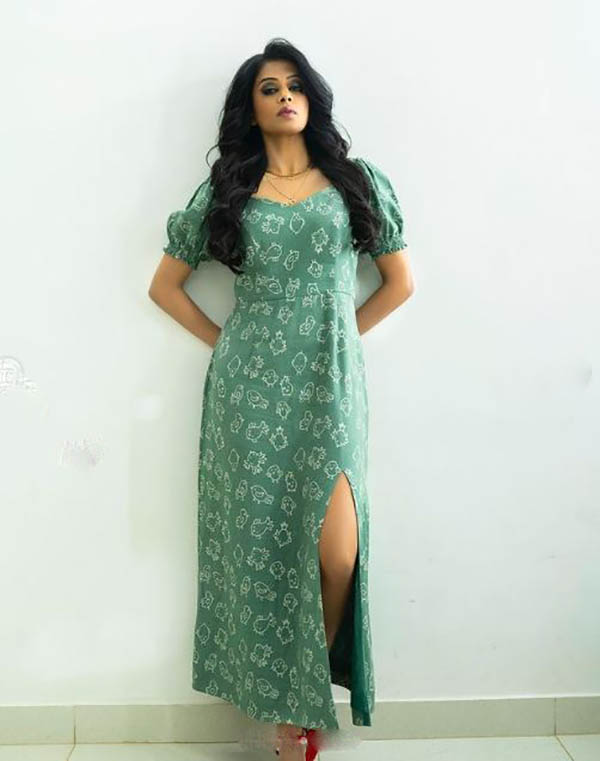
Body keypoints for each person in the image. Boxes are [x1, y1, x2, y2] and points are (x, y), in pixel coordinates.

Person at [148, 37, 415, 761]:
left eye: (295, 85)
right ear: (252, 108)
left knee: (338, 551)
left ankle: (300, 687)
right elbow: (165, 287)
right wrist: (230, 346)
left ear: (312, 99)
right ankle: (290, 713)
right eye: (269, 88)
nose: (285, 96)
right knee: (263, 546)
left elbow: (399, 283)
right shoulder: (228, 191)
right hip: (250, 390)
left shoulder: (355, 181)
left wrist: (337, 339)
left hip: (330, 386)